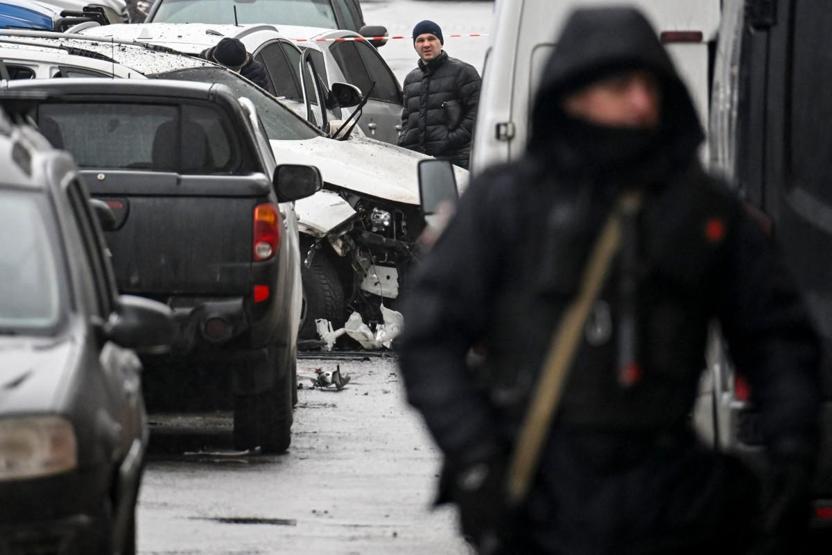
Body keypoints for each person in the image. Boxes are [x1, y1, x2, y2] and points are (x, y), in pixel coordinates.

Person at [397, 7, 821, 554]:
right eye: (622, 86)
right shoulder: (508, 204)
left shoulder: (700, 211)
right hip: (539, 493)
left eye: (651, 85)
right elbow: (429, 339)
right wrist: (477, 457)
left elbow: (776, 339)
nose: (642, 102)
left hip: (669, 495)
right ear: (573, 93)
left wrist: (792, 451)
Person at [398, 20, 481, 169]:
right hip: (417, 162)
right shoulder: (411, 79)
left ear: (441, 42)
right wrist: (405, 141)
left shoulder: (463, 72)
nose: (426, 44)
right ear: (415, 45)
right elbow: (407, 118)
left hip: (455, 161)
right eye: (420, 40)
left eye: (431, 39)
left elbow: (478, 113)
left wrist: (450, 140)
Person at [201, 37, 269, 90]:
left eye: (236, 69)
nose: (231, 73)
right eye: (229, 69)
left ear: (245, 62)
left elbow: (260, 102)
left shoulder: (256, 74)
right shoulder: (201, 63)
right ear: (216, 61)